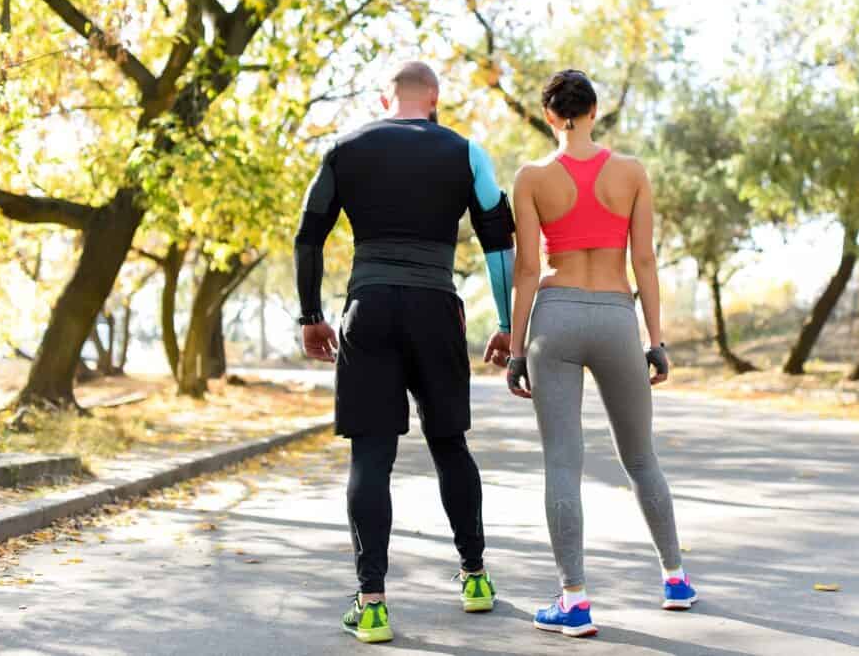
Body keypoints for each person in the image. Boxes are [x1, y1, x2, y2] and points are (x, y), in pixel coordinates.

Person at [293, 61, 515, 644]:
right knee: (449, 444)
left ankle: (371, 604)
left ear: (384, 98)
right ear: (434, 98)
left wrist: (311, 315)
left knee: (371, 456)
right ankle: (475, 579)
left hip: (368, 308)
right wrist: (509, 322)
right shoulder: (467, 152)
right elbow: (498, 243)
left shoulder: (345, 147)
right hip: (436, 308)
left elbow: (308, 232)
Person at [506, 69, 697, 638]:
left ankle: (575, 600)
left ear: (549, 115)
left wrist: (516, 350)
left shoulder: (532, 177)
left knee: (564, 462)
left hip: (555, 316)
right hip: (617, 316)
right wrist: (655, 339)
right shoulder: (631, 172)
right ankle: (675, 580)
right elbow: (645, 262)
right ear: (595, 110)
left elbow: (525, 270)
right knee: (641, 458)